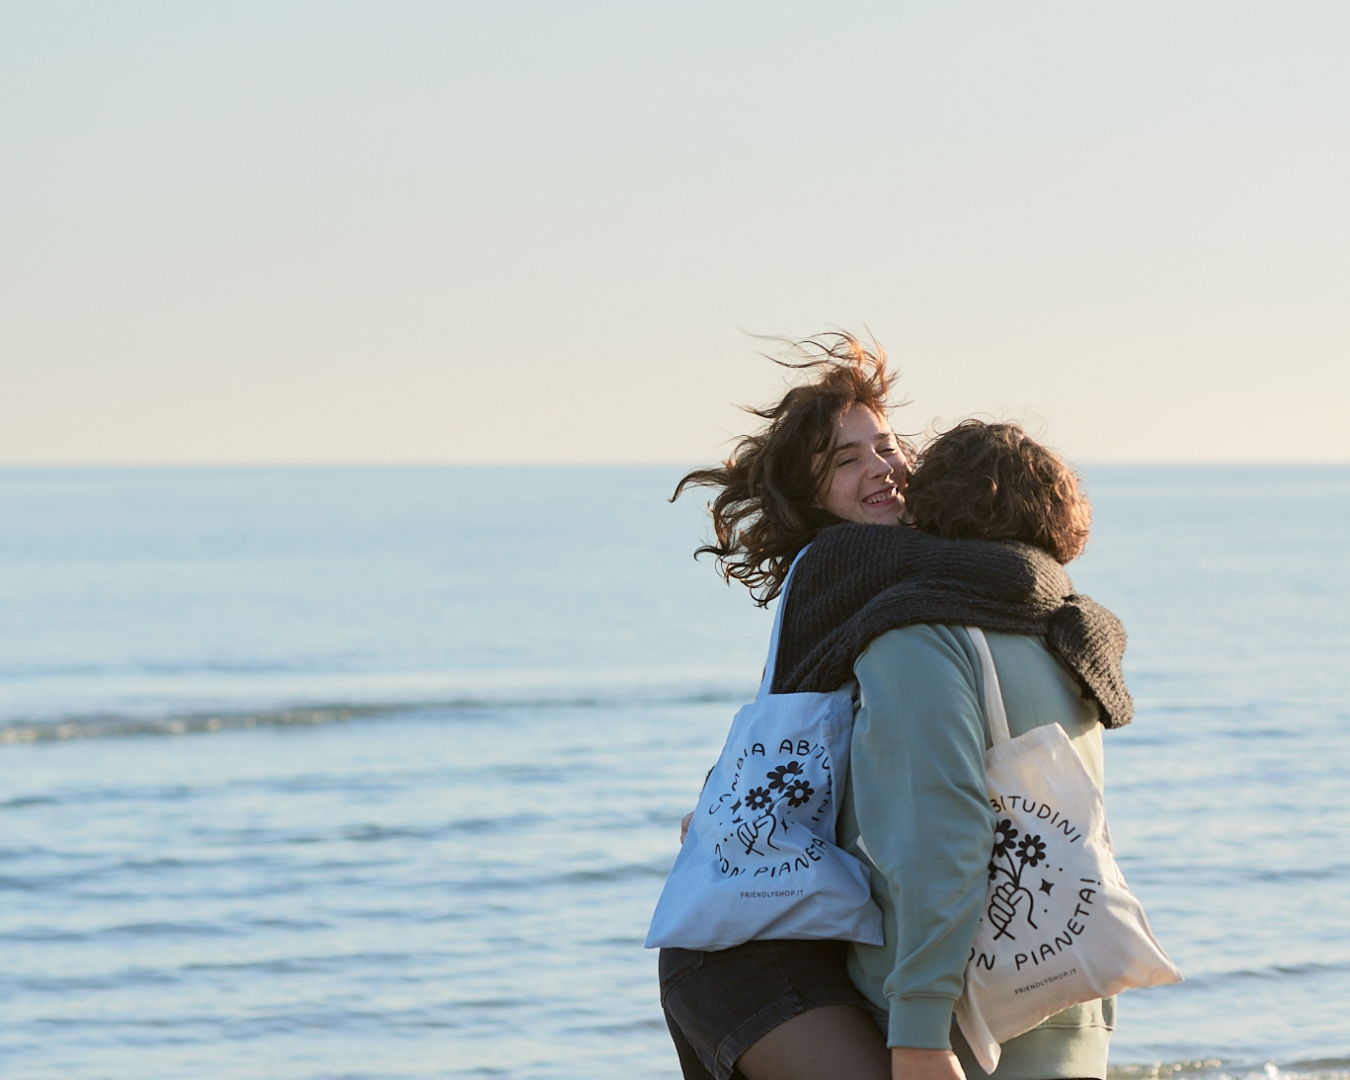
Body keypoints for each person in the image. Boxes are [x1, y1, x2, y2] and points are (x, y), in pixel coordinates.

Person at [662, 335, 1132, 1080]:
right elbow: (1010, 575)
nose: (881, 468)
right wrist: (1066, 596)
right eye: (847, 462)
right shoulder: (848, 565)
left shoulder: (894, 590)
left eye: (885, 446)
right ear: (813, 498)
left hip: (810, 925)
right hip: (761, 948)